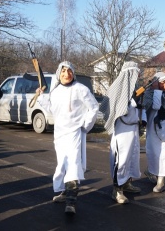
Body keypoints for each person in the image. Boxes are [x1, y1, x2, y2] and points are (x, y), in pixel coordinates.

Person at [36, 61, 99, 215]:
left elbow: (94, 107)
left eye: (69, 71)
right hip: (59, 134)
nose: (66, 74)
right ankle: (65, 193)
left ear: (73, 73)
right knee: (62, 165)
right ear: (59, 73)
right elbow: (52, 109)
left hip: (74, 133)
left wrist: (85, 125)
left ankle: (71, 201)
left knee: (73, 165)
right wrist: (40, 96)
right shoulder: (55, 91)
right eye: (63, 71)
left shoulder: (80, 89)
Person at [99, 61, 142, 204]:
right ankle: (117, 190)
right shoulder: (118, 88)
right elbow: (118, 109)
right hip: (122, 131)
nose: (138, 75)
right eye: (136, 72)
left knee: (132, 157)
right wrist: (132, 102)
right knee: (121, 159)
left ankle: (127, 183)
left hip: (133, 129)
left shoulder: (134, 88)